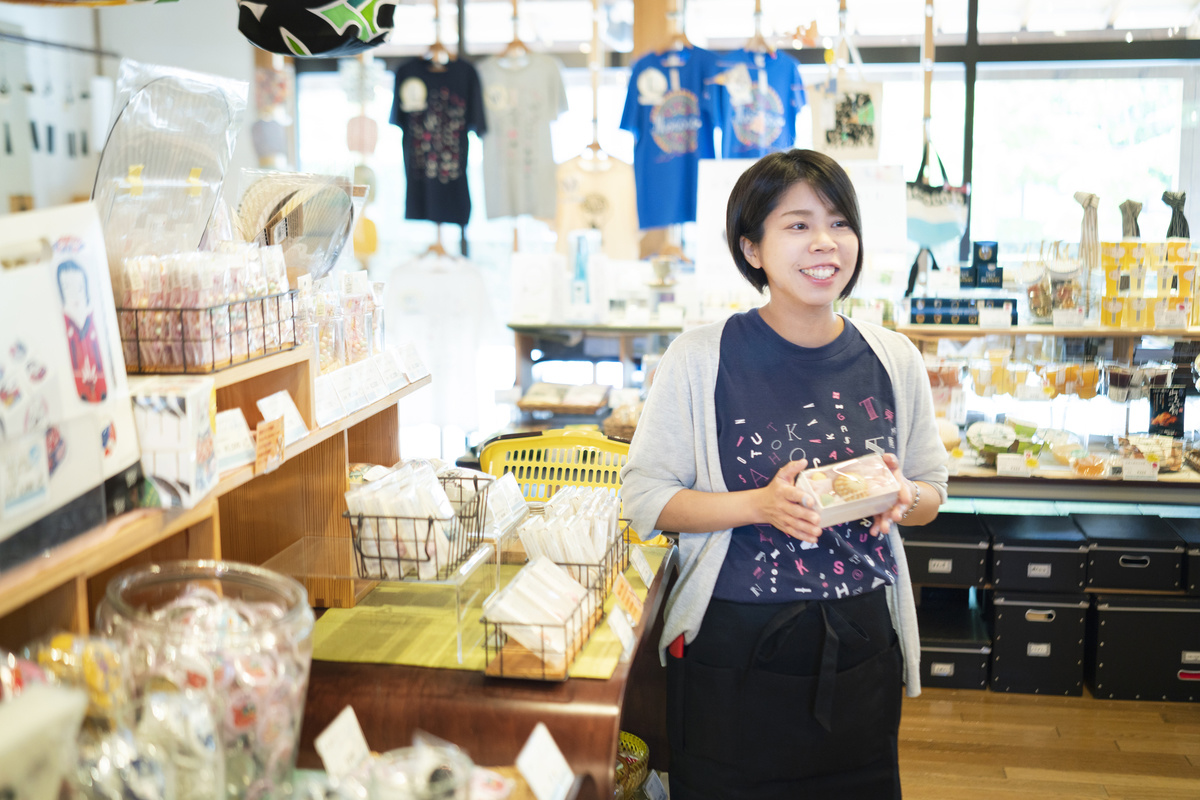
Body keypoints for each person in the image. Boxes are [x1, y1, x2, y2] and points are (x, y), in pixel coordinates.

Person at [619, 149, 948, 800]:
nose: (824, 242)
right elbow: (643, 498)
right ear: (752, 247)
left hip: (861, 643)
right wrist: (759, 506)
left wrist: (906, 496)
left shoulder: (894, 357)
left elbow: (934, 489)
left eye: (838, 223)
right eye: (797, 225)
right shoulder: (699, 358)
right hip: (731, 647)